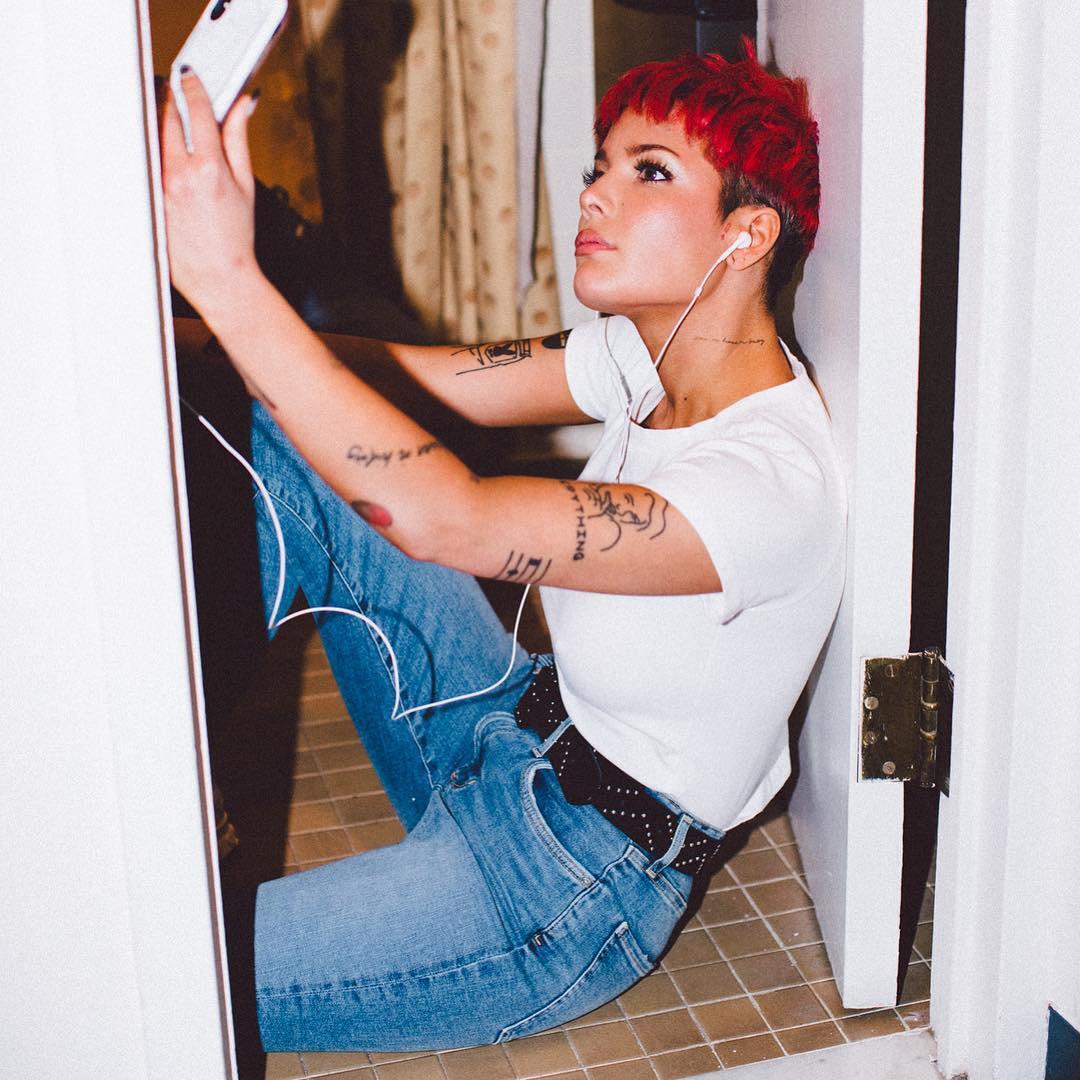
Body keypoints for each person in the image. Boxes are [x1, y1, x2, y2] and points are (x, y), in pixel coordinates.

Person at [161, 44, 845, 1053]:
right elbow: (421, 379)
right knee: (293, 434)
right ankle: (147, 742)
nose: (597, 196)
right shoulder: (643, 354)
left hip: (568, 885)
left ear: (748, 233)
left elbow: (454, 519)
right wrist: (201, 326)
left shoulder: (766, 484)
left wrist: (228, 282)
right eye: (599, 167)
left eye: (648, 170)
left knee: (157, 964)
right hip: (502, 725)